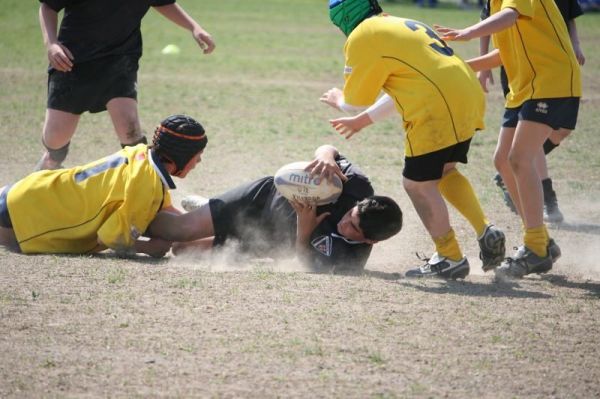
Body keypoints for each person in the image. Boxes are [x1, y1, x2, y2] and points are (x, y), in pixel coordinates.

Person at [321, 0, 506, 279]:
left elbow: (356, 100)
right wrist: (362, 122)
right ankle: (485, 228)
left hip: (436, 105)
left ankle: (449, 256)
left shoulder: (363, 35)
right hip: (466, 93)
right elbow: (406, 86)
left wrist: (339, 100)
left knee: (417, 184)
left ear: (342, 19)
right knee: (444, 172)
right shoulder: (398, 23)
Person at [435, 0, 581, 279]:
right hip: (525, 87)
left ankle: (536, 247)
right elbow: (505, 51)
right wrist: (462, 67)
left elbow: (510, 17)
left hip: (551, 80)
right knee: (503, 161)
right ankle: (542, 242)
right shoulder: (494, 1)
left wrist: (467, 33)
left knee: (519, 159)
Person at [146, 145, 403, 273]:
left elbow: (305, 262)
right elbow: (329, 148)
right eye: (351, 215)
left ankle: (213, 213)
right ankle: (121, 219)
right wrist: (325, 156)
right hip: (263, 196)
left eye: (353, 228)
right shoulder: (357, 186)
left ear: (369, 240)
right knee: (179, 229)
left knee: (180, 249)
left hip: (266, 239)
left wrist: (304, 227)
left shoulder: (351, 259)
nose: (345, 222)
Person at [36, 0, 215, 170]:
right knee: (55, 138)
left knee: (130, 129)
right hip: (73, 60)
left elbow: (163, 2)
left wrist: (194, 27)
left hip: (120, 58)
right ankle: (53, 158)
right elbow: (48, 7)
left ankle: (144, 181)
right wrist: (51, 44)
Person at [0, 114, 207, 257]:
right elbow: (110, 238)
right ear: (180, 157)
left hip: (28, 192)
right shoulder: (144, 184)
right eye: (197, 156)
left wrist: (207, 225)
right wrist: (148, 248)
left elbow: (165, 210)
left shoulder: (142, 157)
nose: (199, 162)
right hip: (22, 217)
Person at [477, 0, 585, 223]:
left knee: (554, 134)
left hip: (548, 72)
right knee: (517, 155)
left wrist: (574, 43)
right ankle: (543, 213)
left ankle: (537, 238)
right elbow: (495, 26)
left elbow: (568, 16)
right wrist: (474, 65)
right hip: (522, 74)